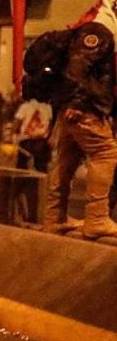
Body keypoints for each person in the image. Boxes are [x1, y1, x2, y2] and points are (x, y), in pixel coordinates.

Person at [32, 21, 116, 238]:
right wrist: (77, 104)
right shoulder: (98, 33)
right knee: (105, 154)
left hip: (70, 107)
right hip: (83, 108)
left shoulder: (84, 34)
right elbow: (78, 67)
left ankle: (55, 218)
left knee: (66, 160)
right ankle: (97, 219)